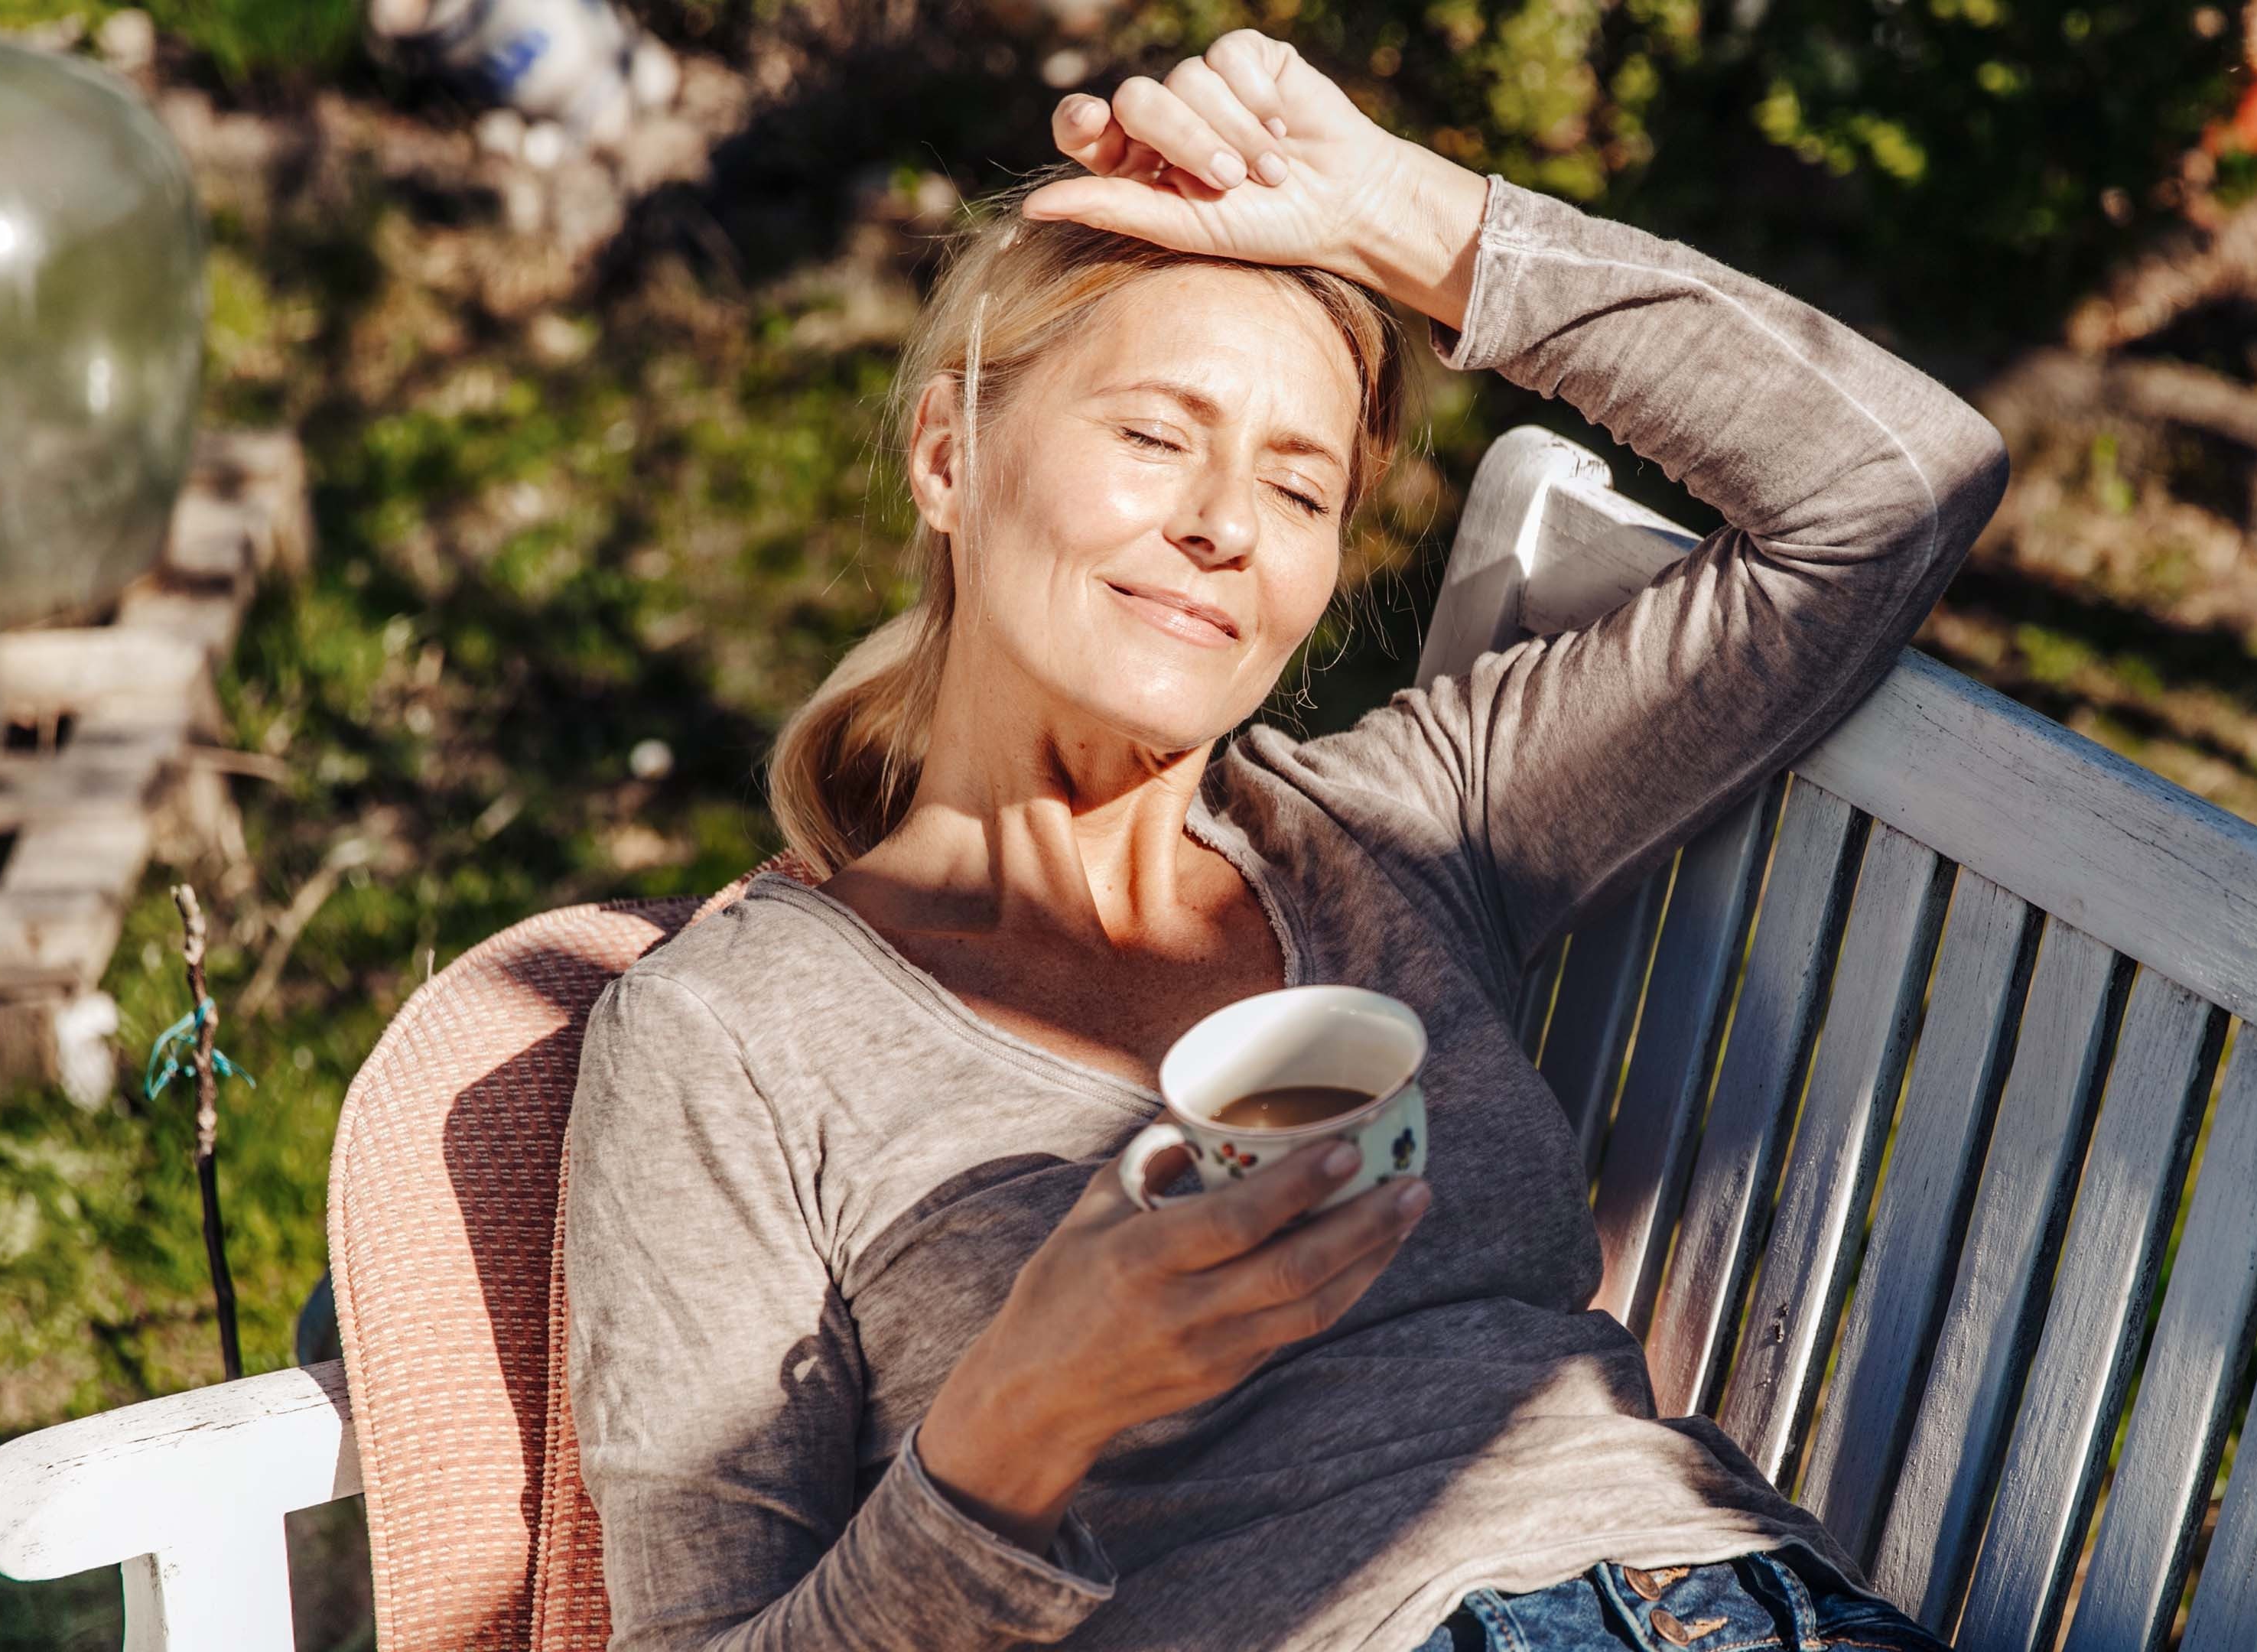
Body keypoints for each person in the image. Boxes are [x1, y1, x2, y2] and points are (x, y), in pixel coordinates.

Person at [563, 28, 2008, 1652]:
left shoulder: (1404, 826)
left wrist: (1401, 211)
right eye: (1156, 435)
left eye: (1301, 486)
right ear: (949, 458)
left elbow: (1894, 487)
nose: (1225, 526)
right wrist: (1016, 1427)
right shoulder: (727, 1040)